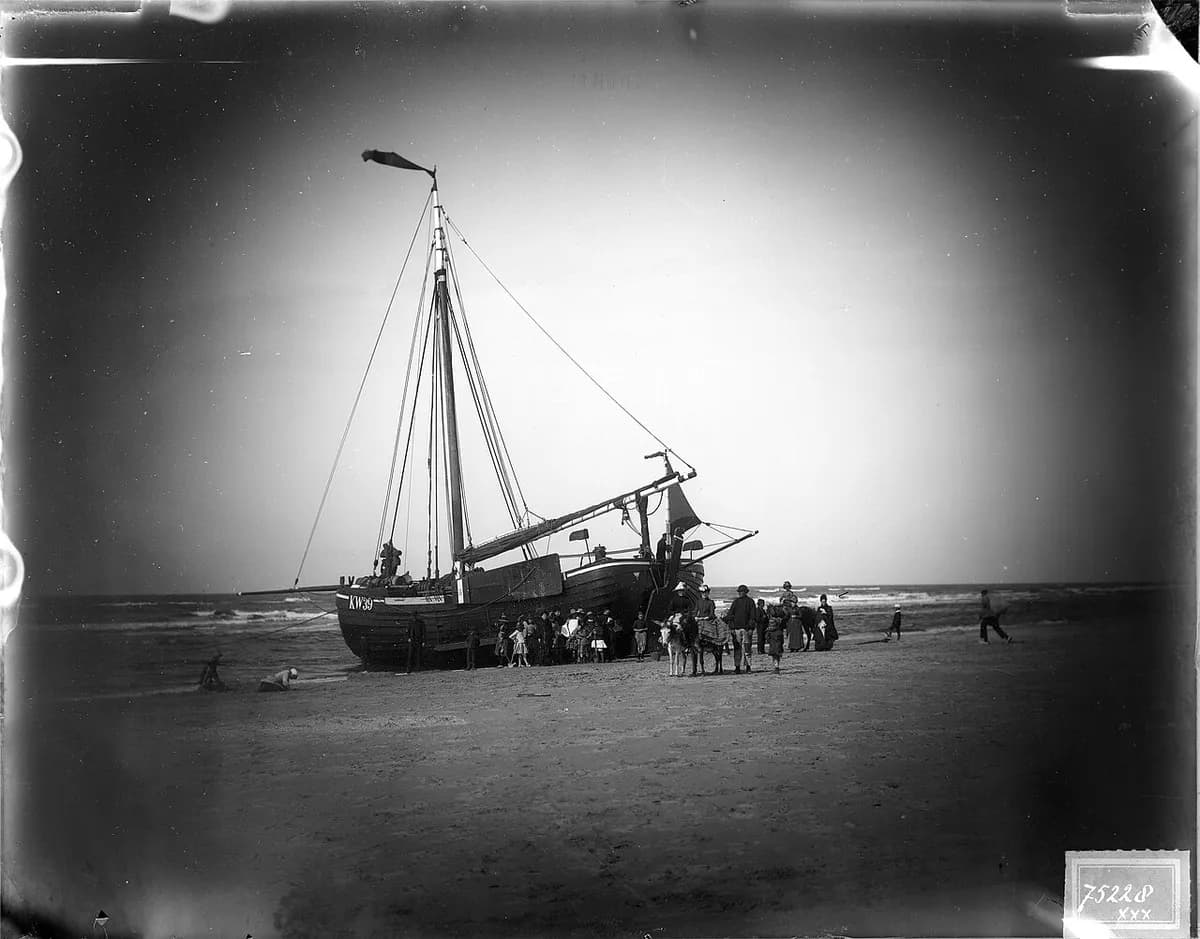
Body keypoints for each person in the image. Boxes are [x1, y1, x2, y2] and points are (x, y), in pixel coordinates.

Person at [726, 584, 755, 674]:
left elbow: (753, 616)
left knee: (747, 649)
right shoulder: (735, 602)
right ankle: (737, 667)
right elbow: (730, 615)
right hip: (736, 629)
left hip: (746, 629)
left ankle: (748, 667)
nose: (740, 593)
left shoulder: (750, 602)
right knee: (737, 648)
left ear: (746, 592)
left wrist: (751, 628)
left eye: (742, 591)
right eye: (739, 592)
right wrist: (731, 628)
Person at [766, 609, 784, 673]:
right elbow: (782, 640)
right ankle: (777, 667)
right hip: (778, 645)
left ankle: (776, 667)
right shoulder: (779, 631)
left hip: (773, 645)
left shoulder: (769, 631)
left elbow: (767, 638)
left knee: (774, 657)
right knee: (777, 657)